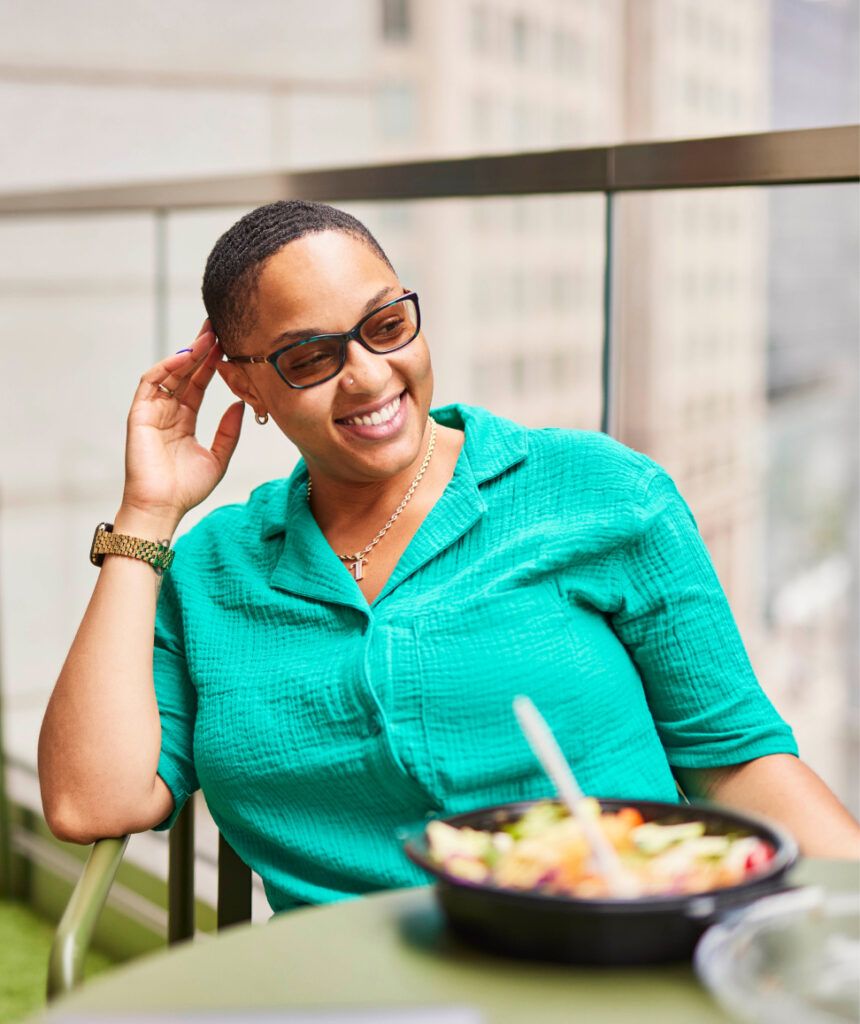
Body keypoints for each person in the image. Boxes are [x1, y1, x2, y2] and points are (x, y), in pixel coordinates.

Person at [39, 200, 860, 913]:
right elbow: (89, 800)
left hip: (611, 960)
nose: (368, 377)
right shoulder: (215, 572)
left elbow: (740, 765)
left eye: (387, 326)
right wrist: (145, 514)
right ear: (246, 386)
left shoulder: (602, 491)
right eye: (310, 357)